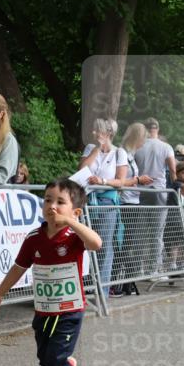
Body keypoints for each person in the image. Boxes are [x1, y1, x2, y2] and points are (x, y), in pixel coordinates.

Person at [0, 178, 102, 366]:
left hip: (70, 311)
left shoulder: (73, 236)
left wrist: (71, 222)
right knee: (45, 358)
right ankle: (65, 365)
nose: (53, 206)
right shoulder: (34, 238)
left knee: (55, 358)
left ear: (75, 211)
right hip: (44, 310)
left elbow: (96, 243)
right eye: (48, 200)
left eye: (61, 202)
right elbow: (17, 268)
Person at [79, 117, 128, 298]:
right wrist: (97, 149)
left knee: (104, 246)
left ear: (108, 134)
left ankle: (103, 290)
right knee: (85, 243)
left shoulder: (119, 152)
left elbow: (121, 181)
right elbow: (81, 168)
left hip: (107, 203)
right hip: (88, 201)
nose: (93, 133)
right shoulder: (90, 148)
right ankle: (86, 286)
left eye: (97, 131)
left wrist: (102, 181)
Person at [134, 117, 177, 279]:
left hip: (141, 191)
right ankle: (154, 271)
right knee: (157, 234)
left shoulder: (137, 147)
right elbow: (173, 172)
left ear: (145, 130)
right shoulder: (166, 147)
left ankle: (138, 270)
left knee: (140, 232)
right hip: (159, 192)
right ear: (157, 130)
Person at [110, 122, 145, 297]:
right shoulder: (122, 152)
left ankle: (124, 282)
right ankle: (117, 282)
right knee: (124, 245)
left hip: (133, 203)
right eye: (142, 138)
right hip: (126, 204)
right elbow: (122, 181)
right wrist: (139, 180)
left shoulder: (130, 154)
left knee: (128, 245)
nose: (144, 142)